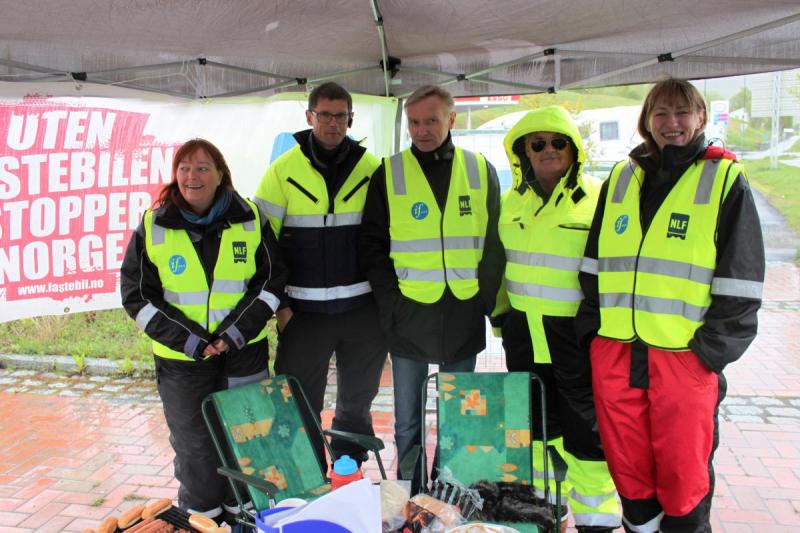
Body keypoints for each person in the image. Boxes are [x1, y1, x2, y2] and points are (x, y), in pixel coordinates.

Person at [576, 78, 765, 532]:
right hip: (618, 353)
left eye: (682, 112)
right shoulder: (621, 178)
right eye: (661, 113)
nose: (672, 123)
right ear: (646, 121)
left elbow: (741, 281)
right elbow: (592, 266)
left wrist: (710, 354)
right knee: (630, 473)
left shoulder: (724, 180)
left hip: (683, 358)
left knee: (684, 478)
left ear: (701, 117)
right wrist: (594, 335)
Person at [120, 139, 286, 521]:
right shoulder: (153, 224)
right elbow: (137, 296)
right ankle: (204, 521)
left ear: (221, 174)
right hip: (181, 362)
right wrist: (193, 341)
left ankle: (244, 517)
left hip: (244, 352)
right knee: (195, 447)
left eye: (202, 167)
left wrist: (234, 334)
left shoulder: (251, 218)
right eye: (184, 168)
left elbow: (273, 282)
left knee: (249, 436)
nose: (192, 176)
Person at [360, 84, 504, 488]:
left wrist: (483, 299)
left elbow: (495, 242)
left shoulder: (480, 170)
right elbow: (371, 245)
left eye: (431, 121)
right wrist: (390, 303)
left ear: (452, 119)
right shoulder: (389, 173)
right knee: (408, 420)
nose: (421, 131)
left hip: (463, 311)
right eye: (414, 122)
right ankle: (411, 494)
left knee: (458, 415)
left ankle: (448, 493)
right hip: (409, 313)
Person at [494, 106, 621, 532]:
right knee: (534, 430)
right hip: (524, 335)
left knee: (586, 430)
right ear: (523, 153)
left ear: (573, 149)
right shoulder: (509, 204)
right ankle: (543, 512)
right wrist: (500, 320)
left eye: (558, 142)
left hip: (577, 337)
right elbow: (499, 267)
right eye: (538, 144)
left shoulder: (599, 198)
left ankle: (595, 519)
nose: (548, 150)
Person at [253, 82, 387, 471]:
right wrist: (283, 308)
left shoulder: (371, 168)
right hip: (304, 316)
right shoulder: (281, 171)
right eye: (324, 115)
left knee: (357, 399)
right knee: (297, 399)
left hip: (362, 313)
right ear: (309, 117)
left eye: (340, 116)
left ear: (350, 119)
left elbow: (386, 238)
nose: (332, 123)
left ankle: (350, 469)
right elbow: (264, 247)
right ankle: (306, 473)